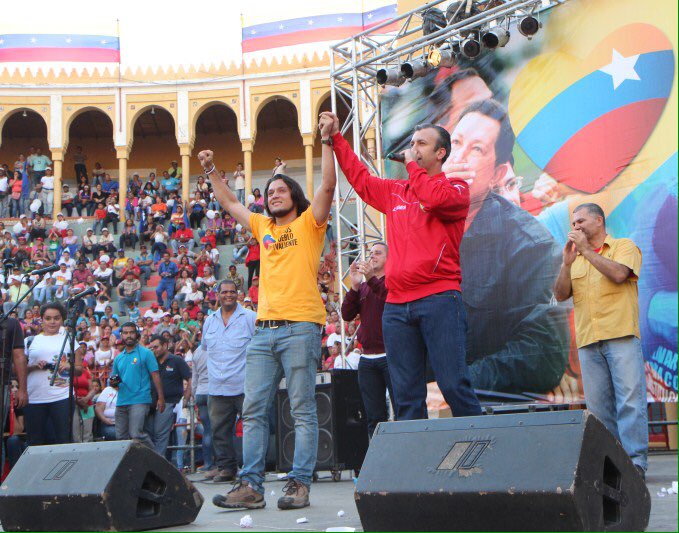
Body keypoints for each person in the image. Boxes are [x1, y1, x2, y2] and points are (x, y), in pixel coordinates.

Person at [200, 109, 336, 511]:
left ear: (294, 196)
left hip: (301, 327)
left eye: (280, 190)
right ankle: (251, 486)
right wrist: (210, 170)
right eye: (268, 192)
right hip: (263, 332)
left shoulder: (310, 224)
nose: (272, 195)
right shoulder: (263, 227)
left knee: (302, 409)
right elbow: (228, 201)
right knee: (254, 409)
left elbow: (329, 184)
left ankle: (299, 484)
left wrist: (327, 140)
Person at [326, 111, 482, 421]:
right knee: (406, 395)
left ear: (441, 153)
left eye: (422, 144)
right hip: (397, 307)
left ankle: (481, 446)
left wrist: (411, 166)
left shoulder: (456, 189)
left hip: (439, 298)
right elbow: (361, 180)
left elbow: (433, 199)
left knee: (453, 385)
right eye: (412, 144)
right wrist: (336, 139)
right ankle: (416, 451)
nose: (413, 148)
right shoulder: (396, 192)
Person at [446, 100, 568, 394]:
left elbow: (542, 354)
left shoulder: (529, 243)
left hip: (481, 409)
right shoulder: (417, 225)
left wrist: (457, 387)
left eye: (477, 149)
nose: (458, 158)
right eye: (456, 143)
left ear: (498, 174)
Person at [553, 203, 648, 478]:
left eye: (581, 221)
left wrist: (586, 251)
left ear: (598, 221)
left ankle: (635, 465)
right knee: (598, 410)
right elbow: (560, 294)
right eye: (573, 223)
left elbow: (619, 274)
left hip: (620, 335)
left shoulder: (623, 246)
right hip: (588, 341)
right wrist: (566, 264)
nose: (576, 227)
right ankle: (612, 467)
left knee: (630, 402)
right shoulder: (575, 258)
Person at [200, 280, 256, 484]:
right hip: (217, 386)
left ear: (238, 294)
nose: (229, 295)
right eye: (224, 292)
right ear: (217, 295)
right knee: (219, 432)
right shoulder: (209, 321)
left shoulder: (250, 317)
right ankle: (227, 468)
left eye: (232, 292)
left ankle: (253, 469)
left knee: (252, 428)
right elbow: (205, 348)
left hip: (244, 385)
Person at [341, 242, 394, 437]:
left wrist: (371, 278)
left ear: (388, 258)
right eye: (370, 253)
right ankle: (379, 455)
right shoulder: (363, 287)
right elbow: (346, 314)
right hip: (368, 359)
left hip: (391, 356)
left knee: (402, 409)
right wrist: (354, 287)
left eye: (378, 253)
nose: (372, 256)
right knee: (374, 417)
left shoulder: (392, 281)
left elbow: (387, 298)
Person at [24, 303, 83, 445]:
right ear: (41, 319)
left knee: (63, 439)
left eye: (56, 318)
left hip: (62, 396)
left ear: (62, 319)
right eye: (48, 318)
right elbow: (17, 369)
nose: (52, 322)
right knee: (35, 441)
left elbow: (79, 369)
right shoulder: (30, 341)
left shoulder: (70, 339)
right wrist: (34, 366)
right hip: (35, 397)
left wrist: (69, 366)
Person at [110, 322, 165, 448]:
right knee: (120, 438)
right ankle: (130, 461)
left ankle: (156, 458)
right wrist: (113, 383)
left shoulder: (146, 353)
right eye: (125, 333)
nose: (128, 335)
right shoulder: (118, 358)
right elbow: (114, 379)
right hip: (121, 400)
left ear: (137, 334)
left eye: (131, 332)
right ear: (121, 335)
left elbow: (155, 375)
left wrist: (161, 398)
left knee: (136, 434)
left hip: (140, 399)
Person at [147, 335, 191, 458]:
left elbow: (190, 378)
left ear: (165, 345)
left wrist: (186, 398)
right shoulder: (151, 361)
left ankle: (158, 463)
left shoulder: (177, 360)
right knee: (149, 434)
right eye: (151, 348)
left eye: (156, 347)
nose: (154, 350)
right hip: (151, 402)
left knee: (160, 435)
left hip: (169, 402)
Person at [191, 344, 214, 475]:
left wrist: (195, 395)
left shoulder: (197, 352)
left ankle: (208, 463)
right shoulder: (216, 346)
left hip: (200, 392)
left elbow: (194, 378)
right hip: (214, 391)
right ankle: (220, 463)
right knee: (219, 429)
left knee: (207, 430)